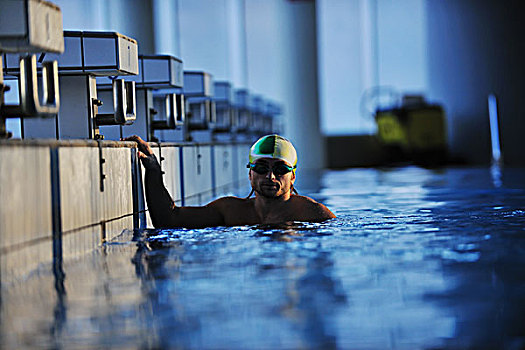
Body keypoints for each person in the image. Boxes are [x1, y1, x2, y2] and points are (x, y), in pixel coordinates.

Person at [127, 134, 336, 229]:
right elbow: (169, 220)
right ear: (250, 174)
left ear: (293, 176)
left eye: (280, 169)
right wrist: (153, 169)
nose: (270, 177)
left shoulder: (312, 214)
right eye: (262, 168)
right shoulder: (230, 210)